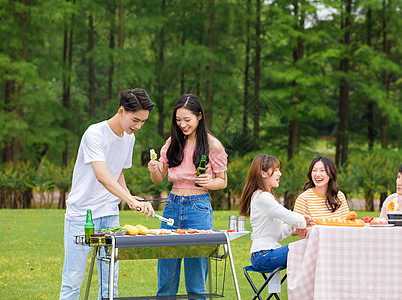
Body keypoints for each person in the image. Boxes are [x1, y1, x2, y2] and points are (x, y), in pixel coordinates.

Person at [59, 88, 156, 300]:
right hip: (83, 216)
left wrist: (129, 198)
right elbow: (102, 175)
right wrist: (128, 198)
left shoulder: (129, 138)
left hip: (110, 214)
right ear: (121, 111)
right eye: (135, 119)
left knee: (110, 280)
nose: (138, 126)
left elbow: (117, 170)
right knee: (73, 280)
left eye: (143, 121)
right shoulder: (94, 133)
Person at [148, 94, 227, 298]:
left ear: (199, 116)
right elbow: (158, 179)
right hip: (172, 206)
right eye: (178, 119)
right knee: (167, 268)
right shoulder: (172, 142)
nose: (182, 124)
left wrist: (210, 183)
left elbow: (222, 181)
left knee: (196, 271)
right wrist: (153, 168)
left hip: (198, 207)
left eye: (187, 120)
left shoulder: (213, 145)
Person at [239, 154, 313, 273]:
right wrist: (301, 221)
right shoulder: (262, 197)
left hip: (266, 254)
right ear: (263, 173)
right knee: (309, 247)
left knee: (309, 247)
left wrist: (294, 225)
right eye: (276, 170)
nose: (280, 174)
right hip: (263, 256)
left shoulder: (264, 197)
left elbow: (278, 235)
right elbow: (288, 216)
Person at [293, 155, 349, 224]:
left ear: (331, 174)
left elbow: (347, 224)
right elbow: (293, 228)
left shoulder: (340, 196)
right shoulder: (303, 199)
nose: (318, 174)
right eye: (314, 170)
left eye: (322, 170)